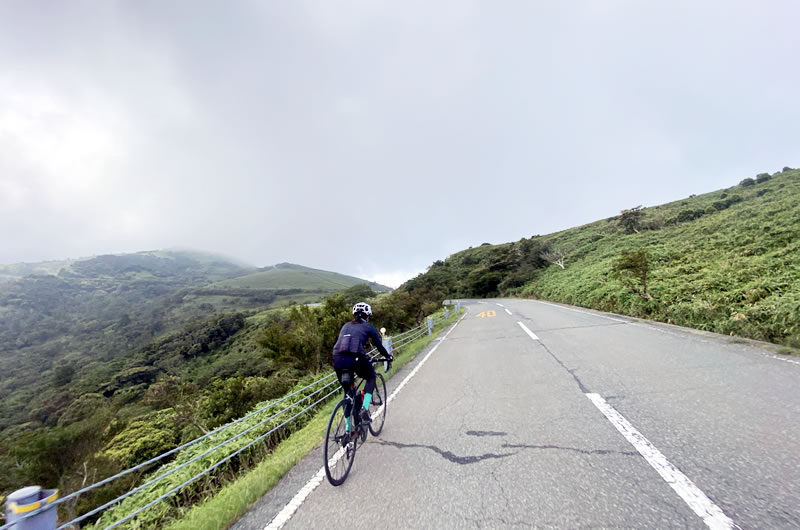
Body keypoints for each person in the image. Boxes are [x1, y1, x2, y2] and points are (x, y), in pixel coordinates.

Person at [332, 302, 393, 431]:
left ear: (354, 315)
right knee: (371, 377)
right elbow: (379, 345)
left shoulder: (345, 326)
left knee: (348, 392)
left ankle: (349, 427)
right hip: (356, 357)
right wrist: (388, 357)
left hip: (337, 358)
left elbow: (346, 344)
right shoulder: (368, 326)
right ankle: (364, 409)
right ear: (367, 316)